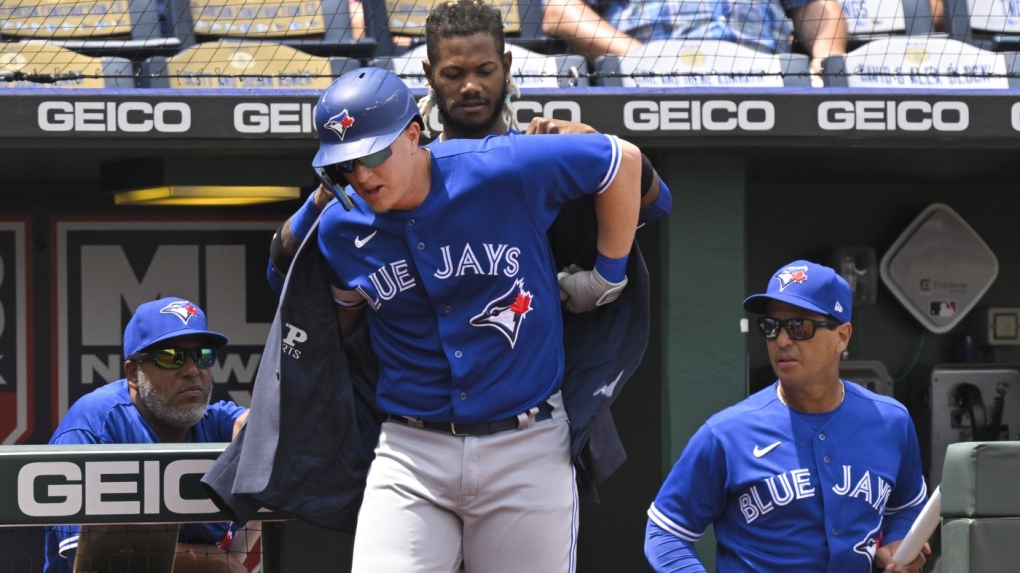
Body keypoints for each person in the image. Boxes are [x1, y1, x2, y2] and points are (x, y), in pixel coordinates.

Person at [310, 64, 641, 571]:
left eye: (373, 154)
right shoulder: (339, 228)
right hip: (411, 452)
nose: (362, 175)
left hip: (526, 445)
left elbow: (622, 160)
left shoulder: (502, 166)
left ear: (413, 134)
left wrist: (605, 278)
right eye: (344, 165)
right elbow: (340, 325)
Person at [266, 0, 672, 293]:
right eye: (454, 73)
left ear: (507, 67)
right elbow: (280, 270)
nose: (471, 86)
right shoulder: (400, 170)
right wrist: (321, 198)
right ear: (429, 74)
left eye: (485, 71)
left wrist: (593, 143)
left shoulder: (540, 152)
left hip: (551, 364)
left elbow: (657, 204)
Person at [644, 260, 930, 573]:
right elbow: (665, 532)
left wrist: (899, 540)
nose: (782, 340)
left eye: (799, 327)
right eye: (771, 327)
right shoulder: (727, 433)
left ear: (842, 336)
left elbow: (907, 505)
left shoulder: (891, 422)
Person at [44, 297, 249, 573]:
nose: (192, 370)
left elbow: (263, 427)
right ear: (133, 373)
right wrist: (213, 561)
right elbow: (100, 559)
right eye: (170, 357)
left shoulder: (212, 420)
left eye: (203, 355)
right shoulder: (92, 426)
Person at [540, 0, 848, 73]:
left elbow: (820, 11)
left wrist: (823, 66)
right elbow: (560, 12)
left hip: (762, 73)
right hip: (648, 73)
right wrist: (642, 62)